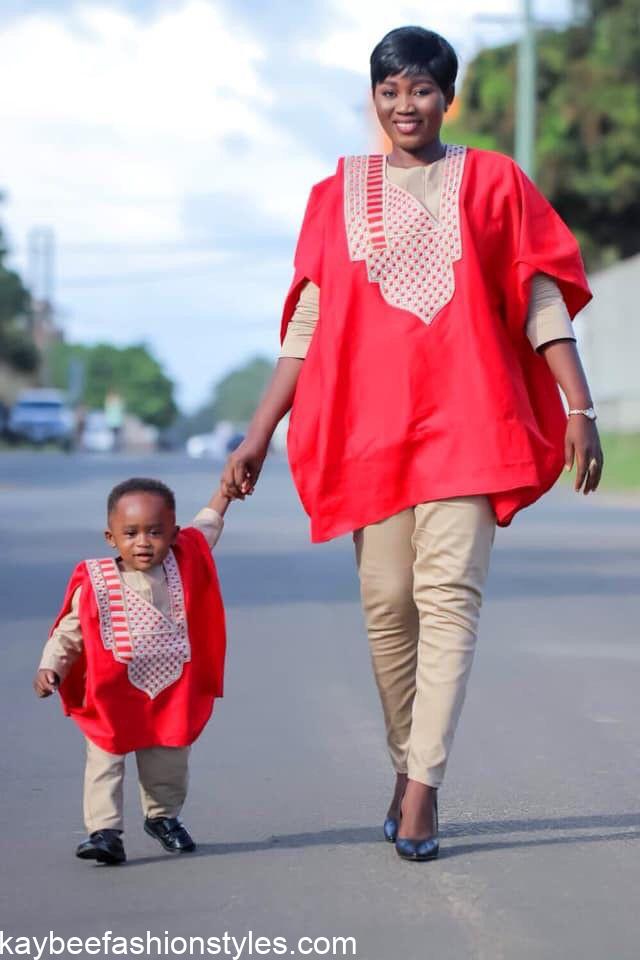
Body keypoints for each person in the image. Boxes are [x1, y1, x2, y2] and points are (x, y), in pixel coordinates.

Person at [222, 26, 604, 862]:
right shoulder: (336, 194)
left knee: (449, 603)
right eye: (390, 91)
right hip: (370, 433)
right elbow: (311, 323)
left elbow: (540, 298)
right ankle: (407, 762)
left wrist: (581, 406)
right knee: (388, 608)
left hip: (472, 422)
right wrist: (259, 433)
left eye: (422, 89)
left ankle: (423, 788)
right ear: (374, 98)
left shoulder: (493, 181)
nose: (406, 105)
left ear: (447, 97)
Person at [33, 477, 228, 865]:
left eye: (155, 532)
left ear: (173, 534)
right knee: (105, 760)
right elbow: (70, 631)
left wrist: (224, 493)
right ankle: (105, 833)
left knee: (168, 761)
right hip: (113, 695)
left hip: (170, 692)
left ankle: (163, 818)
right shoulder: (96, 581)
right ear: (111, 537)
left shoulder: (184, 558)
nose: (143, 542)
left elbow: (206, 527)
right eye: (131, 533)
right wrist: (50, 666)